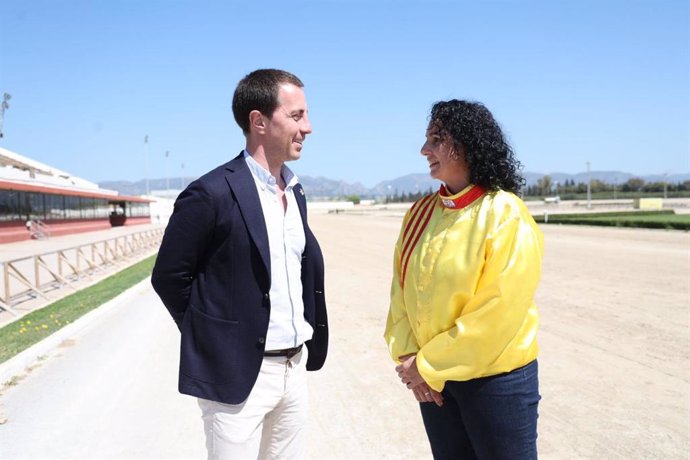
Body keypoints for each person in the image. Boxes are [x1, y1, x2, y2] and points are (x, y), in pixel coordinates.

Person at [151, 69, 328, 459]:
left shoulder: (296, 192)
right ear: (259, 121)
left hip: (293, 369)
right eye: (297, 116)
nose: (309, 127)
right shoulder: (210, 192)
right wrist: (215, 337)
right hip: (237, 377)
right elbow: (169, 277)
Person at [384, 100, 543, 459]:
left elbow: (498, 311)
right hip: (435, 384)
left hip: (495, 383)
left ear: (468, 144)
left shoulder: (505, 213)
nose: (425, 149)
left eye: (437, 139)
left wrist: (425, 366)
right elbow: (401, 291)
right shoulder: (420, 214)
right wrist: (410, 356)